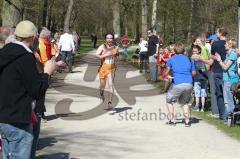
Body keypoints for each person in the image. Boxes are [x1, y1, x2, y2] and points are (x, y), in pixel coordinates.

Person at [0, 20, 56, 159]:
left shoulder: (4, 52)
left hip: (4, 116)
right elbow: (37, 91)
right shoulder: (25, 57)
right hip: (18, 118)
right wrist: (47, 73)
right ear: (33, 38)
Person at [165, 42, 196, 127]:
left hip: (178, 83)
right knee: (184, 102)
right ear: (184, 50)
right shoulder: (190, 59)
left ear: (174, 50)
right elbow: (193, 73)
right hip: (189, 83)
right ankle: (187, 121)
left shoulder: (171, 59)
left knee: (169, 100)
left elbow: (166, 72)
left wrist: (167, 76)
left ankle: (172, 120)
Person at [200, 27, 228, 120]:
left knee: (219, 94)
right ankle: (229, 115)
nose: (216, 34)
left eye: (217, 32)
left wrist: (201, 58)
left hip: (217, 71)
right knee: (228, 94)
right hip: (228, 71)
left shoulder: (215, 44)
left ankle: (222, 115)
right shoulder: (230, 44)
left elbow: (211, 61)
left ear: (220, 33)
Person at [215, 39, 239, 124]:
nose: (224, 45)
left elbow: (225, 67)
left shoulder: (232, 55)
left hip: (230, 80)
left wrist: (219, 60)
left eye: (226, 44)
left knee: (228, 101)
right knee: (230, 100)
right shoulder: (229, 54)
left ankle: (229, 120)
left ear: (230, 45)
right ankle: (230, 118)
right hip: (228, 79)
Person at [96, 33, 119, 109]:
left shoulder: (116, 47)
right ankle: (102, 94)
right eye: (108, 38)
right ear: (105, 39)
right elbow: (97, 55)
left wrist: (116, 55)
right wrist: (104, 55)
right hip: (103, 68)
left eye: (111, 38)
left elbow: (118, 57)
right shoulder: (102, 46)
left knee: (110, 85)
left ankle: (110, 102)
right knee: (102, 87)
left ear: (113, 39)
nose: (109, 39)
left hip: (112, 68)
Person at [191, 45, 208, 112]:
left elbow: (202, 68)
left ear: (199, 51)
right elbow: (204, 68)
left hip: (198, 78)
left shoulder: (193, 58)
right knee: (202, 94)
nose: (194, 52)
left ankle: (198, 107)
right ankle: (202, 108)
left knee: (198, 94)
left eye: (195, 51)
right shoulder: (202, 58)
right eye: (193, 51)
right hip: (203, 77)